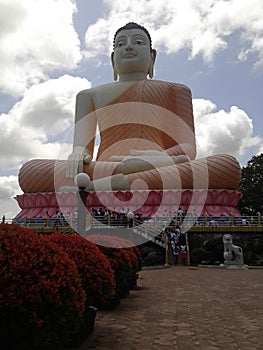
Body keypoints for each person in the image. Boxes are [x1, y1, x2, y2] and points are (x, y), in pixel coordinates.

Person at [18, 22, 241, 194]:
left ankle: (107, 186)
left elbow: (187, 150)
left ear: (152, 56)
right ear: (112, 58)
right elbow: (83, 150)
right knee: (30, 171)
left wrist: (155, 160)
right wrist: (79, 152)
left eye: (138, 42)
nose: (129, 46)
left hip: (161, 165)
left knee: (227, 166)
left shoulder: (176, 90)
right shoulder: (88, 95)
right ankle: (116, 181)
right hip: (104, 168)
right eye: (121, 44)